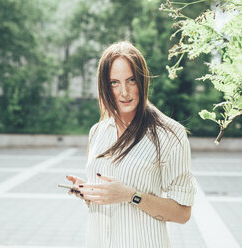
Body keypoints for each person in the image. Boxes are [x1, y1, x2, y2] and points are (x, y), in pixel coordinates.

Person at [66, 41, 197, 248]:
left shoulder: (171, 135)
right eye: (114, 83)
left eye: (131, 80)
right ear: (104, 86)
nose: (124, 92)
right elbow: (108, 200)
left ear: (142, 82)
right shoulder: (98, 131)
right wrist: (89, 193)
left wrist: (131, 196)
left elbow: (182, 214)